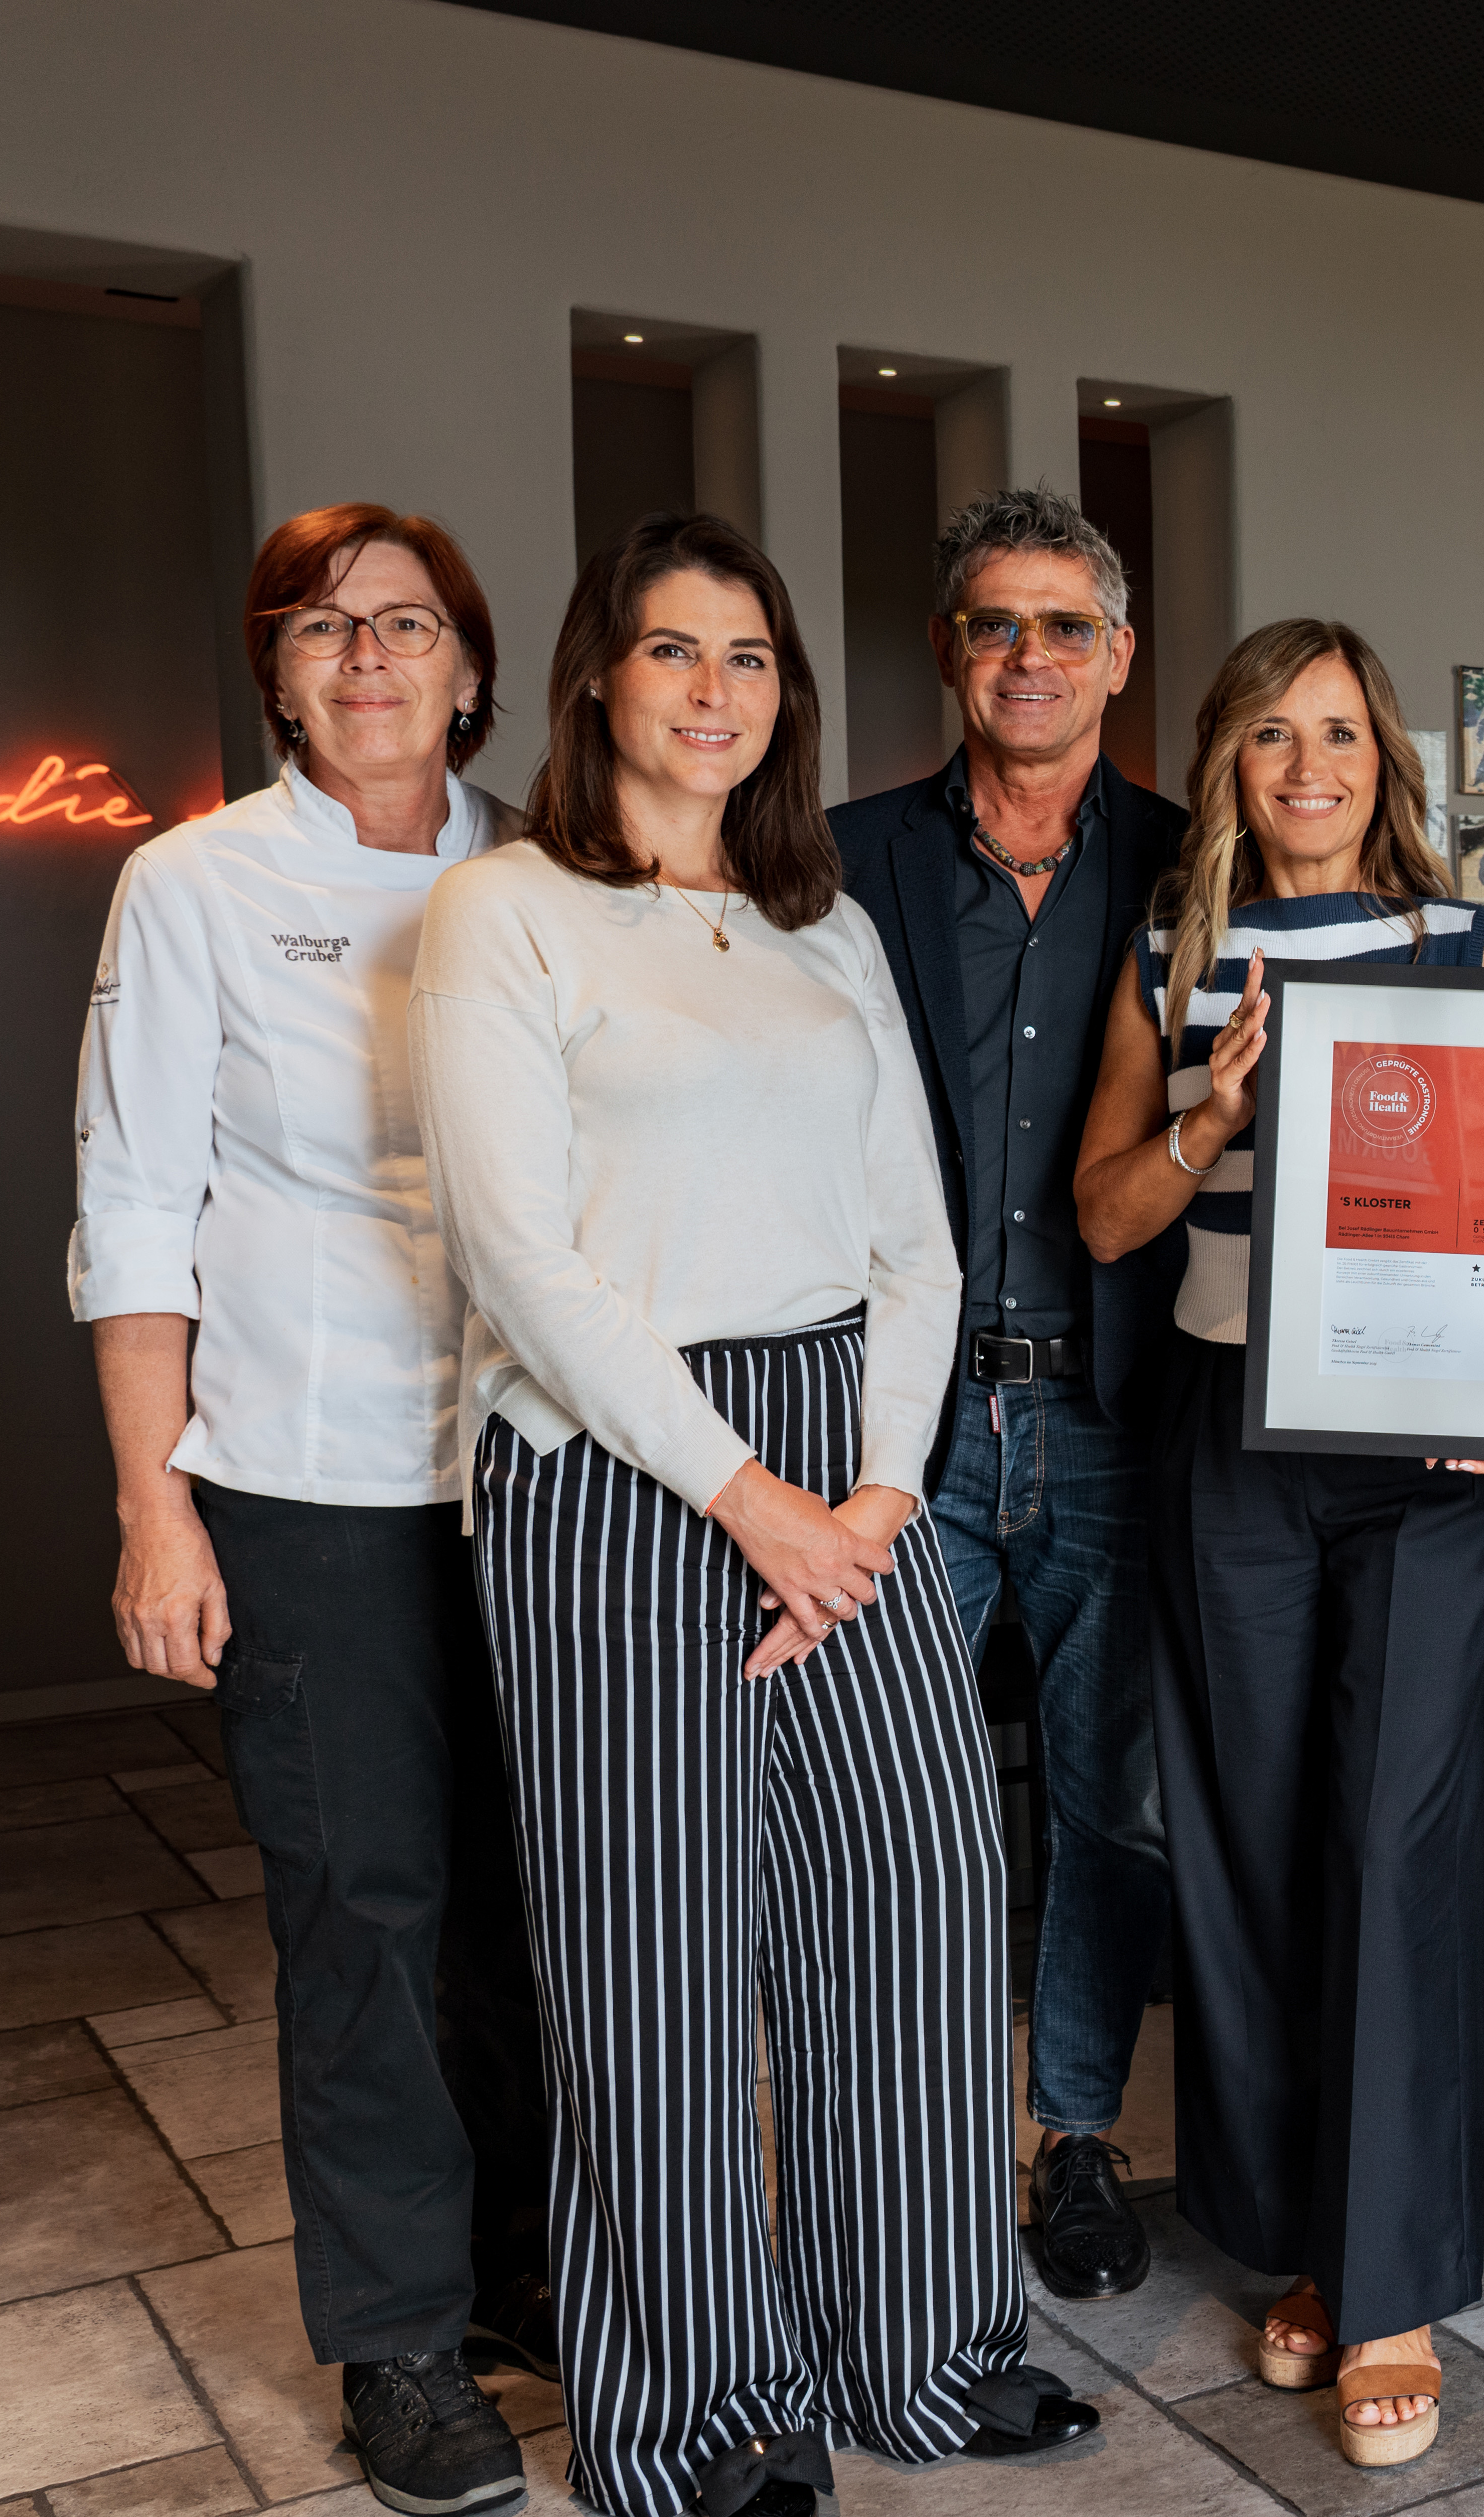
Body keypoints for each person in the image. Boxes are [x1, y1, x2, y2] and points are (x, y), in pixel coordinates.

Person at [411, 511, 1094, 2517]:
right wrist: (751, 1500)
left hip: (849, 1454)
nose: (715, 692)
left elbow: (918, 1233)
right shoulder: (504, 910)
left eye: (752, 658)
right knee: (658, 1953)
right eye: (674, 651)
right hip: (615, 1466)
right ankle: (706, 2408)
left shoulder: (825, 921)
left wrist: (876, 1494)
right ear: (597, 677)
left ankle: (926, 2343)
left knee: (917, 1897)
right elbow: (520, 1259)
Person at [71, 502, 550, 2517]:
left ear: (470, 664)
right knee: (366, 1910)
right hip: (305, 1474)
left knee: (545, 1898)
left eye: (408, 622)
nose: (369, 655)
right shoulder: (192, 884)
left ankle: (532, 2266)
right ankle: (401, 2337)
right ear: (278, 672)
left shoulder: (552, 869)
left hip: (542, 1468)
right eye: (325, 627)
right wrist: (152, 1507)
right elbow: (132, 1210)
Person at [1071, 617, 1484, 2469]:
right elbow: (1106, 1220)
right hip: (1231, 1434)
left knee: (1394, 1839)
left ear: (1381, 756)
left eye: (1339, 732)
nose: (1309, 765)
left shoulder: (1457, 949)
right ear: (1229, 764)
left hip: (1424, 1454)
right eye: (1272, 736)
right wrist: (1210, 1113)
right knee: (1248, 1841)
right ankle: (1308, 2243)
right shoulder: (1167, 957)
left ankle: (1390, 2275)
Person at [827, 487, 1190, 2303]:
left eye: (1065, 624)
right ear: (949, 653)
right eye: (994, 624)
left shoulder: (1198, 864)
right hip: (904, 1427)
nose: (1028, 656)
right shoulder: (832, 859)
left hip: (1115, 1417)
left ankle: (1075, 2138)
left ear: (1121, 655)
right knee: (895, 1804)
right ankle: (900, 2147)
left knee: (1110, 1803)